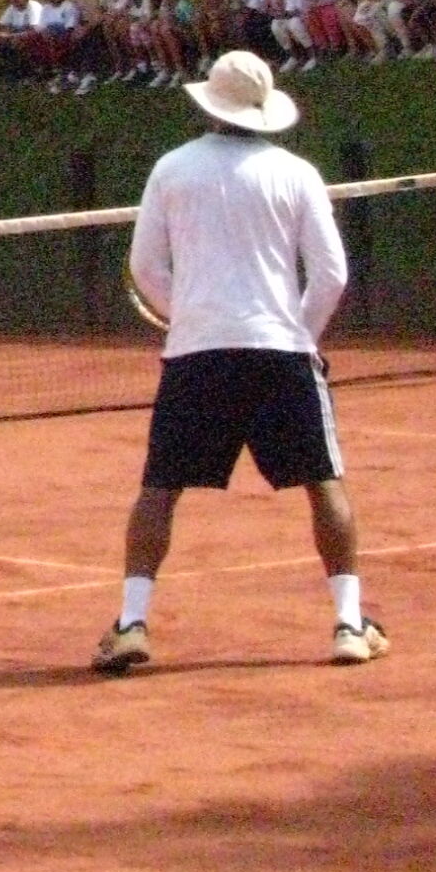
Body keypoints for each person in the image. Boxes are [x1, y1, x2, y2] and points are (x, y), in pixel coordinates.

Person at [94, 50, 382, 673]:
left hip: (197, 356)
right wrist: (300, 334)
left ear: (210, 105)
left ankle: (132, 623)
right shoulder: (298, 173)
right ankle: (349, 625)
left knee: (159, 490)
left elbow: (146, 267)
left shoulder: (171, 168)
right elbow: (331, 274)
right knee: (324, 483)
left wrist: (190, 317)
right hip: (280, 354)